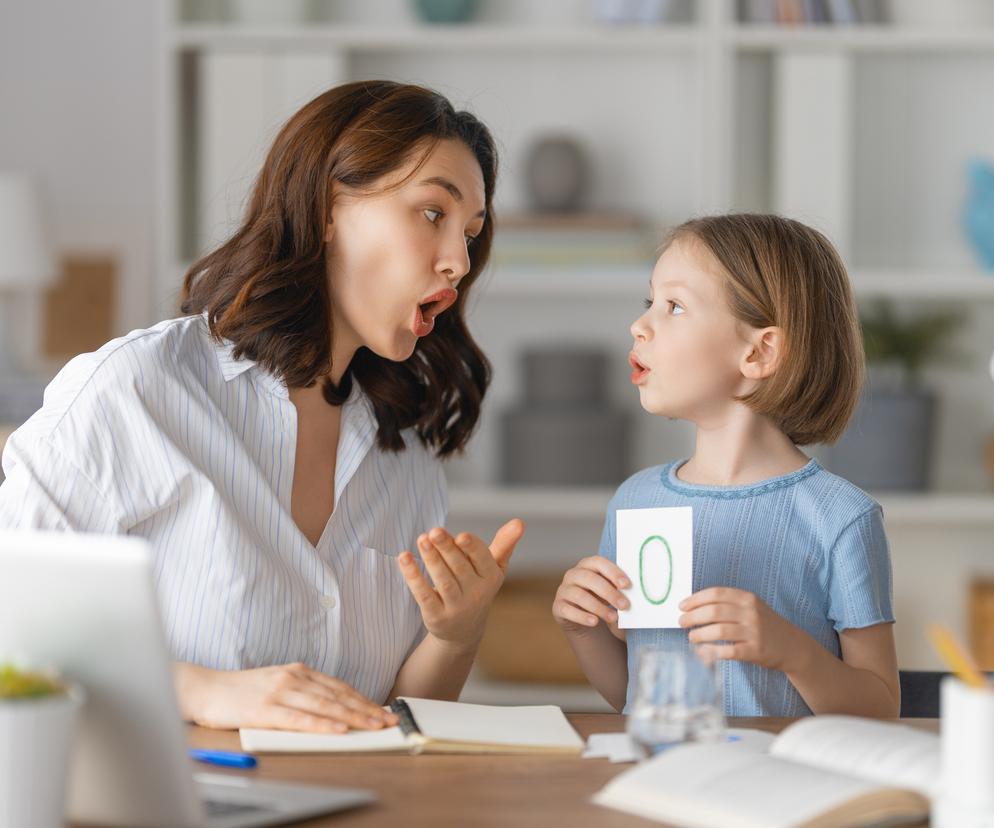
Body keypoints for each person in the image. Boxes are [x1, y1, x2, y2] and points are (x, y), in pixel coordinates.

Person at [0, 80, 524, 733]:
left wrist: (455, 635)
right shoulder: (137, 387)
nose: (458, 261)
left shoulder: (406, 455)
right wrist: (197, 691)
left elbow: (393, 721)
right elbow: (12, 607)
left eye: (472, 235)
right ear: (329, 206)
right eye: (432, 214)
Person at [552, 214, 899, 717]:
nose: (639, 324)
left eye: (673, 306)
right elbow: (635, 697)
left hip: (779, 789)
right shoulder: (636, 501)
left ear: (759, 352)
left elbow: (882, 708)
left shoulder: (842, 517)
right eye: (648, 302)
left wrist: (793, 652)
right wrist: (582, 632)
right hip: (664, 784)